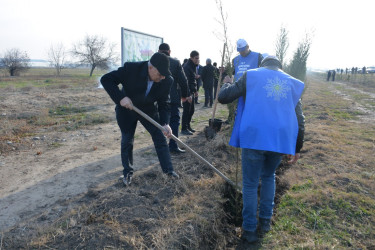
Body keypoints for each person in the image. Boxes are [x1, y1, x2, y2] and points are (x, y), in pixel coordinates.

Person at [218, 56, 305, 243]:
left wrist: (227, 83)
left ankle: (249, 229)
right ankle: (265, 222)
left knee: (249, 184)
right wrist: (297, 147)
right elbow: (300, 119)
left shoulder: (251, 76)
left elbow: (224, 97)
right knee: (268, 177)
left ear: (262, 66)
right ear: (279, 67)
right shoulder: (291, 82)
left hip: (254, 137)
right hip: (278, 140)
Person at [100, 52, 179, 187]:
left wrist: (165, 123)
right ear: (150, 68)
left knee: (160, 136)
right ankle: (127, 173)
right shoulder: (131, 69)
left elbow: (164, 103)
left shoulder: (166, 80)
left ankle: (169, 171)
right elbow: (106, 79)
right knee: (127, 140)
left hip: (148, 109)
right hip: (127, 109)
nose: (162, 77)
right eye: (160, 74)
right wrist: (120, 98)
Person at [158, 43, 190, 154]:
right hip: (173, 98)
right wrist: (184, 96)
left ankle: (160, 146)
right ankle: (173, 146)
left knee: (159, 121)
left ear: (159, 51)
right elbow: (183, 81)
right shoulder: (176, 62)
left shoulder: (153, 61)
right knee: (174, 121)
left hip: (157, 98)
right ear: (169, 51)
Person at [181, 50, 200, 135]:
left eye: (198, 58)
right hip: (186, 93)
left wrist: (195, 91)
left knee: (191, 110)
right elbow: (186, 82)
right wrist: (188, 95)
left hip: (191, 92)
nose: (198, 60)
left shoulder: (193, 66)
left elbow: (193, 80)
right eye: (196, 58)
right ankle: (184, 128)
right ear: (191, 58)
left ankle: (188, 126)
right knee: (186, 111)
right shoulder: (187, 67)